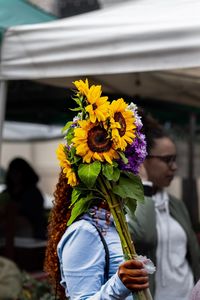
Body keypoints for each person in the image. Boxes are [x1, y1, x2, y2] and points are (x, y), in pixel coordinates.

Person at [127, 112, 200, 300]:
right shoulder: (128, 204)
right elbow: (143, 235)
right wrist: (143, 185)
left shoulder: (175, 205)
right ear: (142, 160)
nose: (174, 167)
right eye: (167, 160)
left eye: (175, 159)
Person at [44, 170, 150, 299]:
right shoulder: (83, 231)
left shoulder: (112, 224)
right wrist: (119, 285)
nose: (131, 179)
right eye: (119, 173)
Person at [0, 157, 47, 240]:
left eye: (18, 172)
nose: (14, 175)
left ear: (25, 173)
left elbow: (36, 216)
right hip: (8, 237)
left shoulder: (33, 193)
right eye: (12, 172)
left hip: (31, 237)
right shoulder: (7, 192)